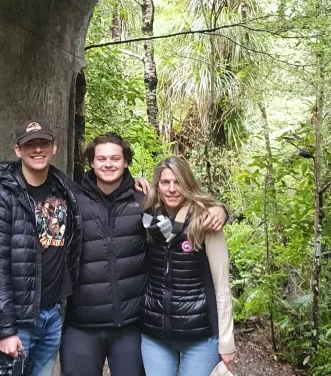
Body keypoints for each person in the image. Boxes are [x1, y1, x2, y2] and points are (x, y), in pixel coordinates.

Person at [60, 134, 228, 376]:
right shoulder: (73, 201)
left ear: (126, 161)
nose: (108, 164)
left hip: (131, 324)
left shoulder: (144, 204)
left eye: (115, 158)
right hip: (83, 322)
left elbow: (174, 230)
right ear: (92, 163)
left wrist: (219, 209)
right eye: (102, 158)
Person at [0, 119, 82, 376]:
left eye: (43, 143)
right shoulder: (3, 194)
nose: (37, 150)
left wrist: (135, 182)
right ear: (18, 150)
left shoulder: (65, 190)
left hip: (52, 314)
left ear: (54, 148)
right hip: (18, 319)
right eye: (30, 145)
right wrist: (5, 329)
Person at [140, 156, 236, 376]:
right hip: (155, 334)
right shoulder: (148, 219)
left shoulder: (206, 221)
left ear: (188, 184)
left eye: (178, 182)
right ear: (158, 186)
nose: (172, 189)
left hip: (199, 335)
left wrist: (227, 342)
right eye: (165, 182)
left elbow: (221, 285)